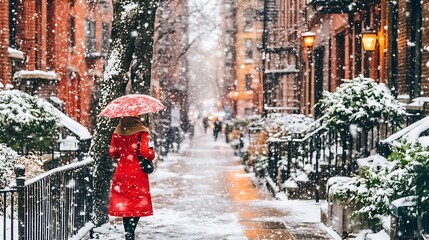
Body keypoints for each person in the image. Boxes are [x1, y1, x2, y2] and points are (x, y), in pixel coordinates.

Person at [108, 115, 155, 240]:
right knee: (136, 203)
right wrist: (152, 152)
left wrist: (123, 152)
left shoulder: (117, 131)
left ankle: (128, 231)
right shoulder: (141, 132)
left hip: (122, 170)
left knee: (126, 204)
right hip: (137, 171)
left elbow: (113, 153)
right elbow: (146, 153)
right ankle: (131, 231)